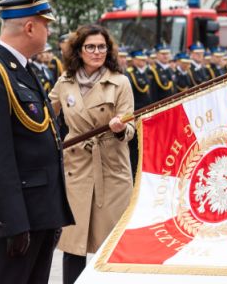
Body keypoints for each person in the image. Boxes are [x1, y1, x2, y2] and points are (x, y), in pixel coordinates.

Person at [0, 0, 73, 284]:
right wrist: (13, 222)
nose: (48, 33)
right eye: (46, 25)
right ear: (29, 27)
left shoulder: (23, 70)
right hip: (16, 217)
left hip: (38, 212)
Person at [48, 24, 135, 284]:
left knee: (110, 243)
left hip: (111, 168)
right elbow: (45, 116)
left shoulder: (119, 82)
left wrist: (121, 128)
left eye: (101, 47)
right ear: (79, 50)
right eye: (90, 47)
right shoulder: (65, 82)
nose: (96, 52)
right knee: (73, 242)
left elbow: (132, 126)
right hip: (77, 167)